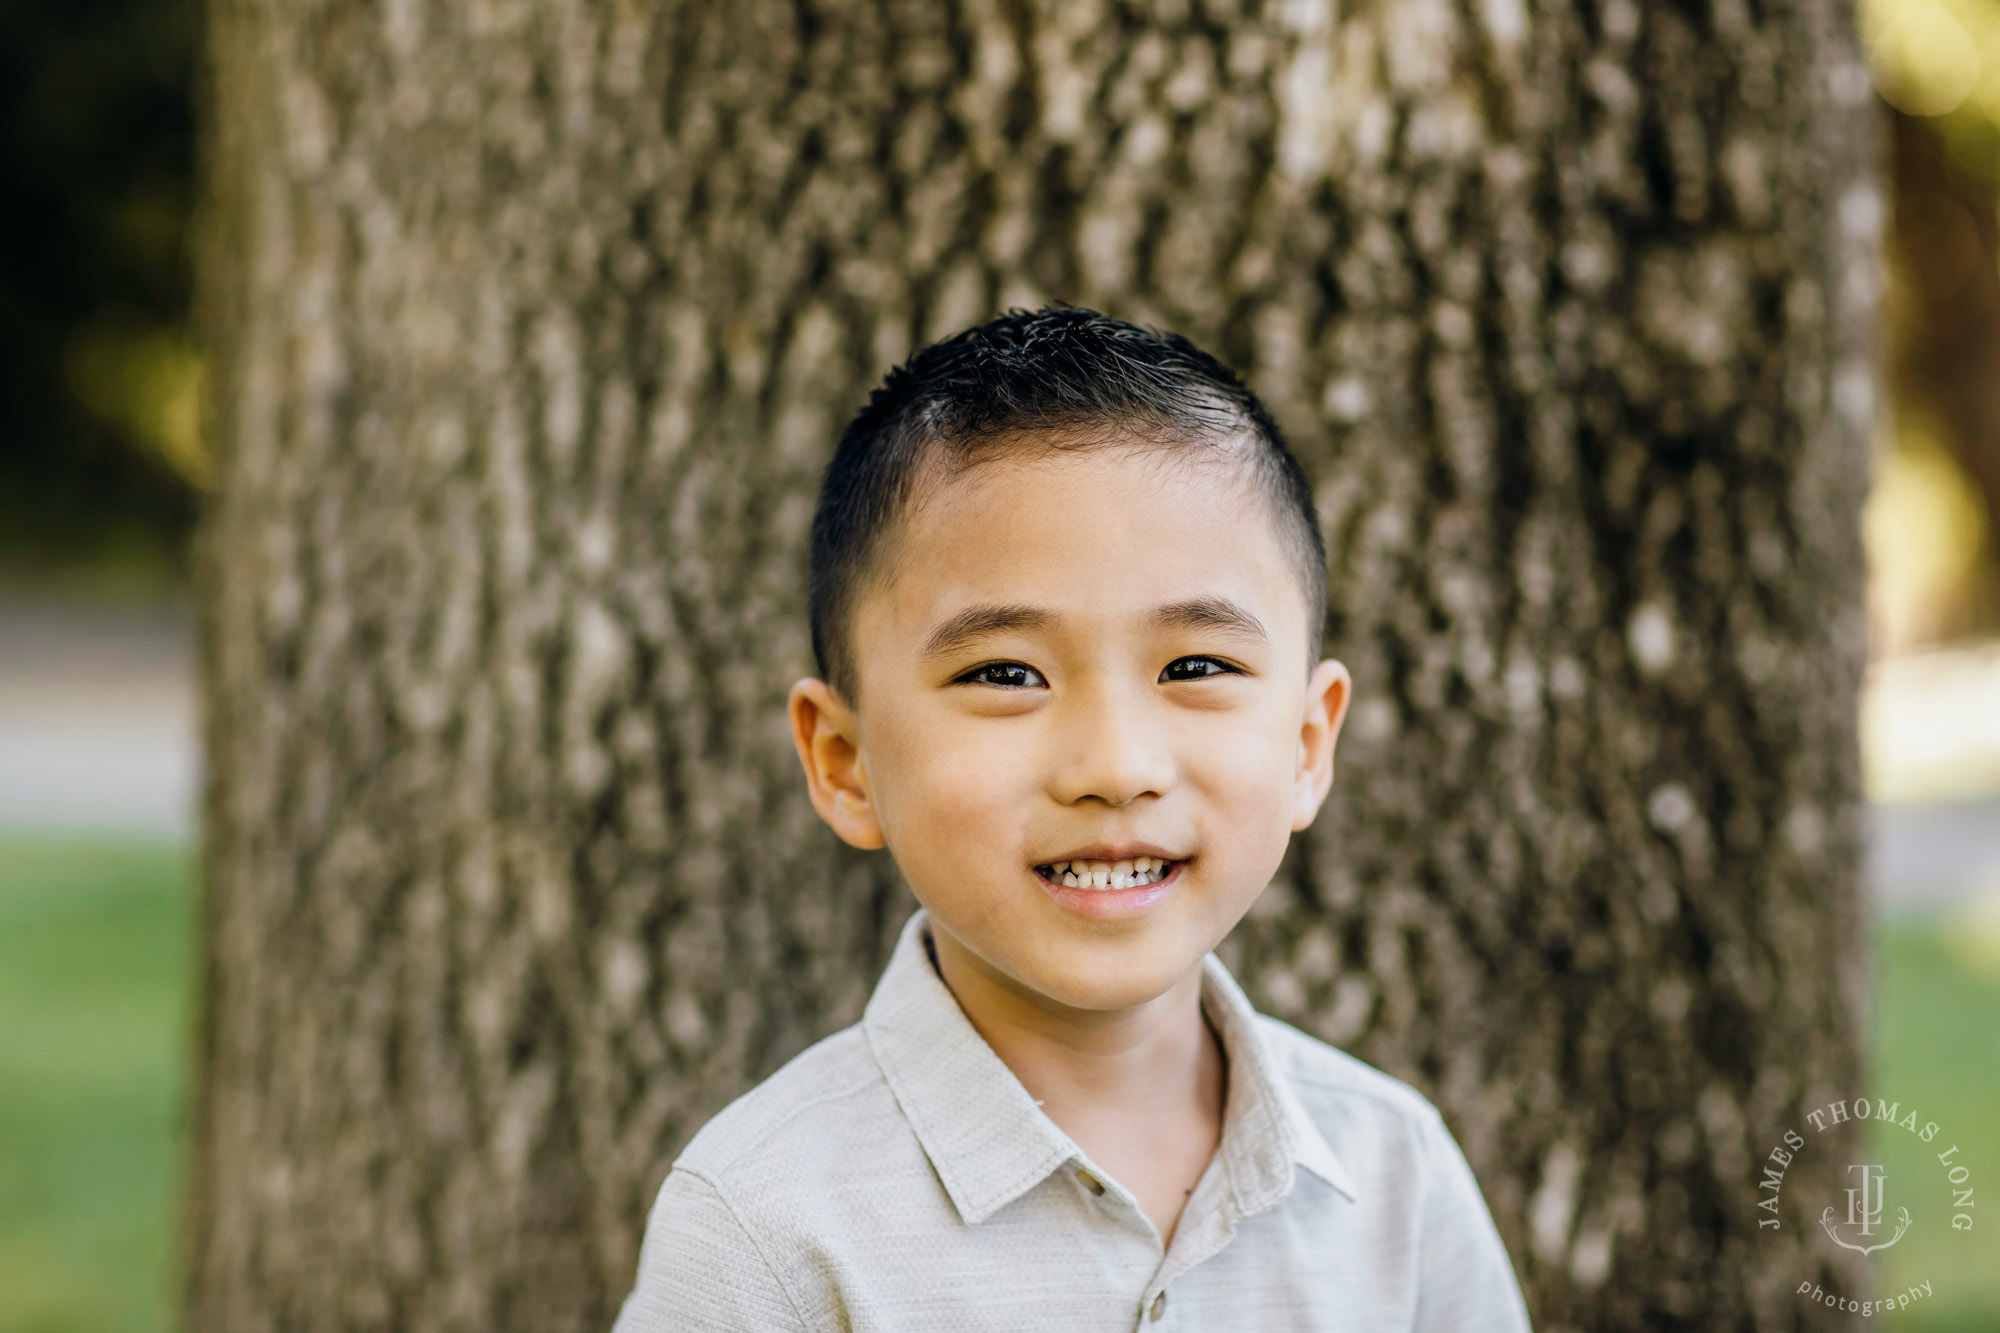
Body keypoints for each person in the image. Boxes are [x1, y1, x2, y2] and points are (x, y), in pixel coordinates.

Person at [611, 305, 1534, 1331]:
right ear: (846, 762)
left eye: (1194, 666)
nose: (1113, 766)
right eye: (1005, 672)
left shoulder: (1392, 1182)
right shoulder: (764, 1231)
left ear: (1306, 746)